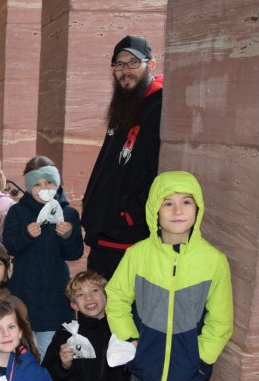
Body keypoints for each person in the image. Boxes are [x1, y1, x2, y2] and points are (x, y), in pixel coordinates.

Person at [106, 171, 233, 381]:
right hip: (145, 368)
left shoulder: (213, 260)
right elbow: (116, 297)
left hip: (190, 370)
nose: (178, 211)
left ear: (197, 208)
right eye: (168, 203)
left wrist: (202, 356)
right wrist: (130, 338)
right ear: (155, 210)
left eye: (186, 202)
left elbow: (220, 319)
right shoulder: (137, 255)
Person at [81, 35, 163, 280]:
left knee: (119, 313)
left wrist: (129, 215)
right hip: (105, 235)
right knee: (96, 312)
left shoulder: (158, 107)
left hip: (128, 238)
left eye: (134, 62)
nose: (126, 70)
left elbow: (158, 172)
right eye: (120, 64)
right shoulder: (124, 104)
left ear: (152, 65)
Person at [2, 158, 83, 360]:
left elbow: (75, 253)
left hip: (55, 293)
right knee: (21, 348)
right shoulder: (17, 211)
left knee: (50, 351)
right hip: (23, 288)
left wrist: (67, 235)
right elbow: (10, 246)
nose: (44, 188)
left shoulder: (68, 213)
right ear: (29, 187)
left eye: (49, 182)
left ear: (57, 183)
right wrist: (26, 235)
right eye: (37, 184)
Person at [42, 271, 132, 381]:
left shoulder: (121, 330)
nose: (89, 298)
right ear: (74, 305)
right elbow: (46, 377)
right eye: (80, 295)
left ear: (106, 295)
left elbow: (134, 373)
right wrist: (63, 365)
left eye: (95, 291)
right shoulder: (66, 333)